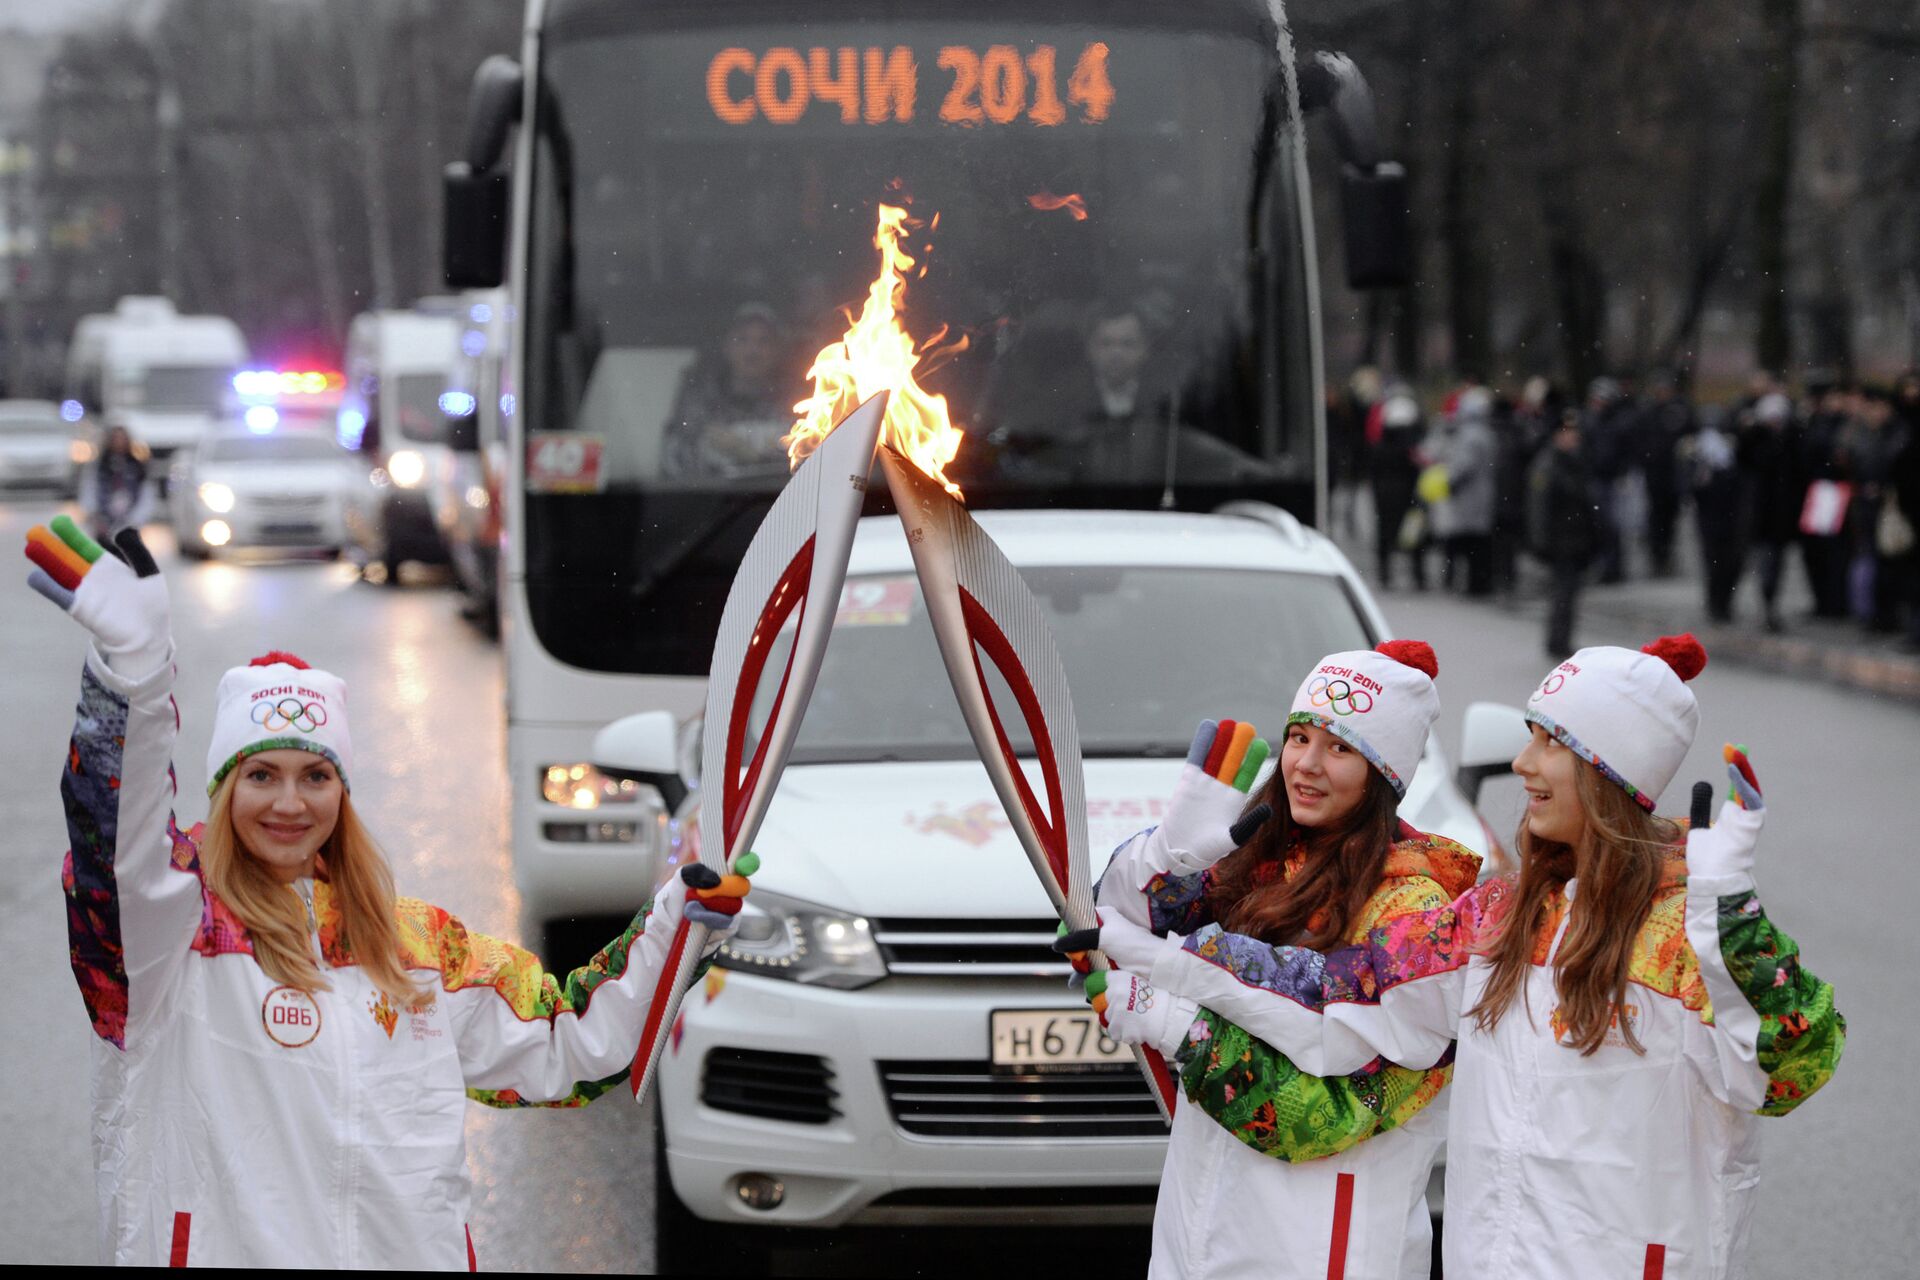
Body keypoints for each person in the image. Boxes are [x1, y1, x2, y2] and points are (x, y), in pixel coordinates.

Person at [21, 515, 755, 1269]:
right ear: (223, 792)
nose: (289, 803)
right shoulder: (171, 938)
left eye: (315, 776)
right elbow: (116, 847)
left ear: (343, 792)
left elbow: (572, 1044)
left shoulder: (419, 950)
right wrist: (133, 675)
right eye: (260, 775)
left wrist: (680, 920)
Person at [1085, 634, 1844, 1278]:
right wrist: (1143, 953)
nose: (1522, 763)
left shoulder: (1687, 933)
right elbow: (1344, 992)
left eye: (1550, 742)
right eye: (1530, 735)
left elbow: (1789, 1070)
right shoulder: (1499, 917)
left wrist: (1732, 918)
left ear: (1609, 771)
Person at [1058, 642, 1482, 1279]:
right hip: (1200, 1225)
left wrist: (1173, 1018)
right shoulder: (1258, 861)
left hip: (1324, 1249)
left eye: (1340, 749)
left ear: (1383, 775)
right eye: (1300, 738)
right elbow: (1100, 930)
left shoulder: (1414, 908)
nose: (1307, 765)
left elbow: (1317, 1113)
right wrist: (1168, 857)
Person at [663, 301, 795, 479]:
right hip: (712, 502)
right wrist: (707, 448)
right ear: (727, 346)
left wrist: (752, 457)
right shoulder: (700, 398)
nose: (752, 350)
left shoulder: (798, 401)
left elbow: (809, 462)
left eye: (764, 341)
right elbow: (673, 459)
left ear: (777, 350)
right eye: (742, 339)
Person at [1526, 409, 1597, 655]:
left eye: (1574, 432)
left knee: (1569, 593)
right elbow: (1539, 507)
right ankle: (1557, 641)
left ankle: (1561, 639)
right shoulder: (1548, 464)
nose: (1572, 437)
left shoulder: (1574, 462)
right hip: (1560, 541)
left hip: (1576, 539)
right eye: (1566, 432)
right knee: (1563, 593)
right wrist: (1541, 543)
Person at [1737, 391, 1805, 633]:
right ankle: (1767, 606)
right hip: (1763, 517)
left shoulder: (1791, 441)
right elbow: (1744, 459)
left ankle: (1770, 607)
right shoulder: (1757, 441)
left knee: (1776, 565)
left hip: (1780, 517)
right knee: (1766, 565)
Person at [1370, 392, 1427, 591]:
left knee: (1387, 535)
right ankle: (1418, 576)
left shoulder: (1380, 447)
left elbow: (1374, 473)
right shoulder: (1411, 447)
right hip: (1406, 495)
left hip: (1387, 496)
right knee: (1414, 536)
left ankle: (1386, 574)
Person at [77, 424, 153, 542]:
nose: (119, 443)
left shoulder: (137, 466)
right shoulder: (98, 467)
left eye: (122, 439)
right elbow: (89, 490)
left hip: (129, 523)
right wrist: (94, 516)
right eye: (115, 439)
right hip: (102, 523)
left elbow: (146, 493)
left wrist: (135, 520)